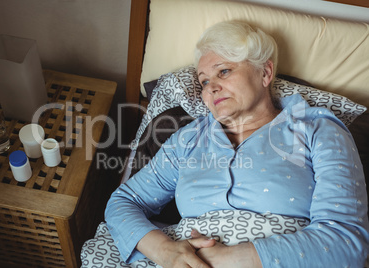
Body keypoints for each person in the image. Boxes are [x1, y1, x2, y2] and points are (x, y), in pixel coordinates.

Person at [105, 21, 369, 267]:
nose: (211, 88)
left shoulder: (317, 129)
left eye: (224, 71)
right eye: (204, 81)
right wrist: (166, 251)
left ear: (265, 72)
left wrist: (229, 259)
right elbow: (124, 201)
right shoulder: (188, 139)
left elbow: (346, 239)